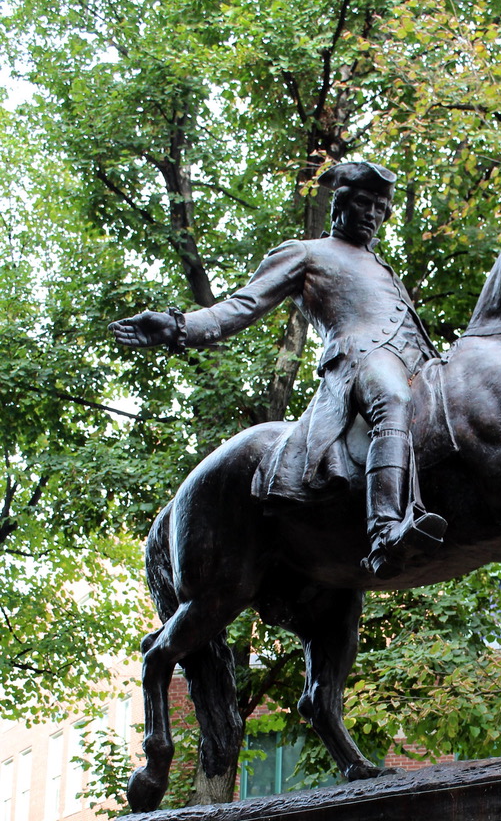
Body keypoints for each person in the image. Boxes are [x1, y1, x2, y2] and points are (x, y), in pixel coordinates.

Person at [109, 160, 446, 578]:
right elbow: (240, 307)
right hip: (362, 359)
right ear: (339, 204)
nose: (373, 214)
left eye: (381, 207)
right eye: (363, 202)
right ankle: (385, 532)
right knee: (392, 398)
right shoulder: (305, 253)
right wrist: (178, 326)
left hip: (421, 362)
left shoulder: (385, 270)